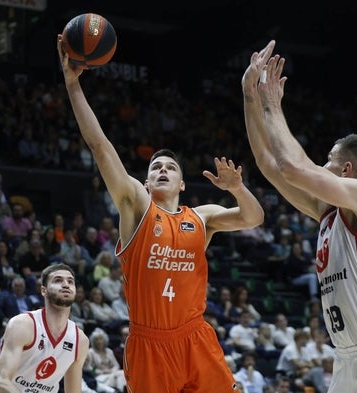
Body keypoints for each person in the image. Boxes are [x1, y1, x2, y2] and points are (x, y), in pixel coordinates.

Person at [58, 35, 264, 393]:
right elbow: (100, 146)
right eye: (156, 167)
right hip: (148, 343)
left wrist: (237, 189)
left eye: (171, 167)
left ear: (182, 183)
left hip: (195, 336)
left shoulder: (202, 216)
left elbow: (254, 218)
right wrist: (73, 85)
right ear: (146, 180)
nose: (163, 170)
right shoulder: (136, 205)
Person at [242, 40, 357, 392]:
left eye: (327, 158)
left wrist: (272, 104)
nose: (321, 165)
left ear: (346, 168)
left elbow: (293, 167)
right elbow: (268, 165)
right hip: (346, 360)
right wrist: (250, 94)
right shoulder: (328, 213)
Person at [0, 263, 89, 393]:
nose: (66, 284)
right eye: (58, 280)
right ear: (43, 291)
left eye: (70, 282)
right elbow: (1, 382)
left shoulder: (80, 340)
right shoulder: (23, 325)